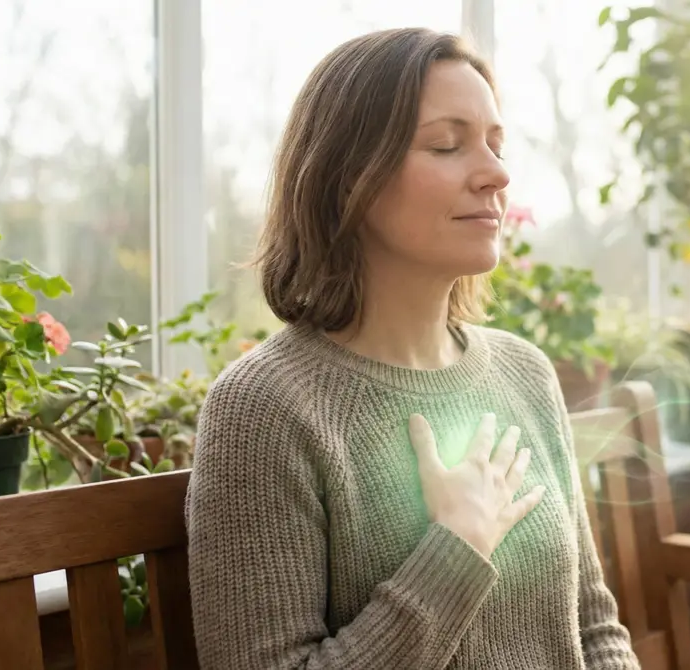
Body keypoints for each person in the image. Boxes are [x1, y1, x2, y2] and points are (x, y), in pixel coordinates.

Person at [185, 27, 640, 670]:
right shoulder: (264, 409)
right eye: (447, 145)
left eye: (496, 145)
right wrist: (456, 549)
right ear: (348, 179)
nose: (497, 174)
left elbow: (594, 630)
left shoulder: (524, 373)